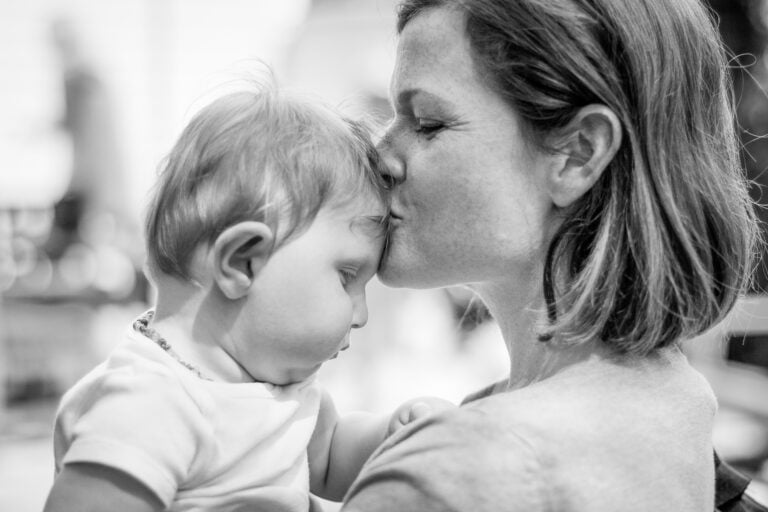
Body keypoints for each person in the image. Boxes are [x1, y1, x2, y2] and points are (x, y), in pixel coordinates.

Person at [341, 0, 764, 511]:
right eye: (391, 116)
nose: (381, 155)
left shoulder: (452, 476)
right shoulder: (675, 413)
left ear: (578, 153)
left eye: (427, 122)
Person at [43, 79, 452, 512]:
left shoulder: (274, 390)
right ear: (244, 262)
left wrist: (394, 437)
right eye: (347, 277)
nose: (362, 315)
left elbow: (329, 456)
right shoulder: (147, 403)